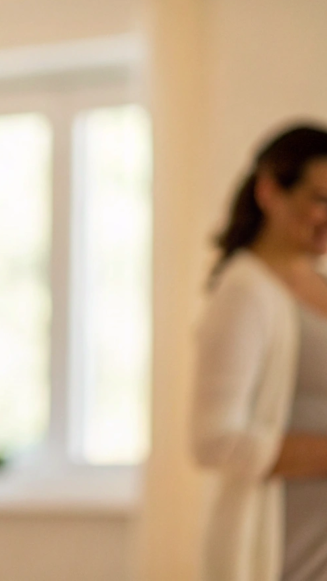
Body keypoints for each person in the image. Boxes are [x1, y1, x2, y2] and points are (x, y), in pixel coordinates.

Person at [192, 123, 327, 581]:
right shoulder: (245, 290)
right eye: (320, 199)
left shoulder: (320, 284)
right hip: (282, 554)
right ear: (270, 191)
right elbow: (213, 440)